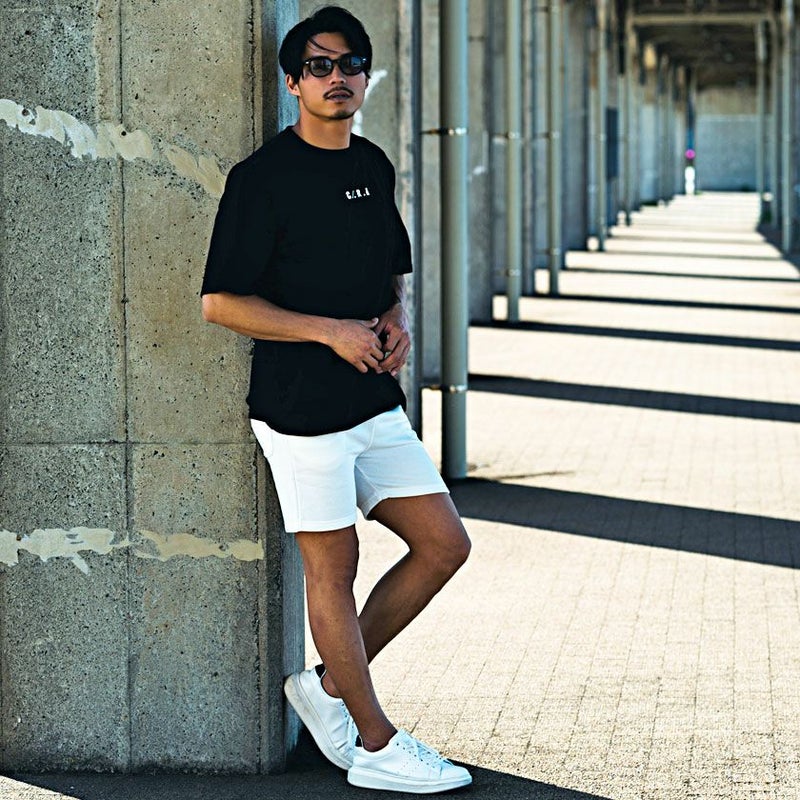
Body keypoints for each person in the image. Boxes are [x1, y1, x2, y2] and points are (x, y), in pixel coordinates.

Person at [201, 6, 472, 794]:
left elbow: (390, 275)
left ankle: (325, 689)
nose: (337, 77)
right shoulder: (261, 179)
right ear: (293, 82)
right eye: (318, 66)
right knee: (334, 568)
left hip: (372, 398)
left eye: (350, 64)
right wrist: (329, 332)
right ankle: (376, 744)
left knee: (444, 545)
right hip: (298, 409)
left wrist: (396, 319)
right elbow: (220, 303)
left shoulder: (374, 164)